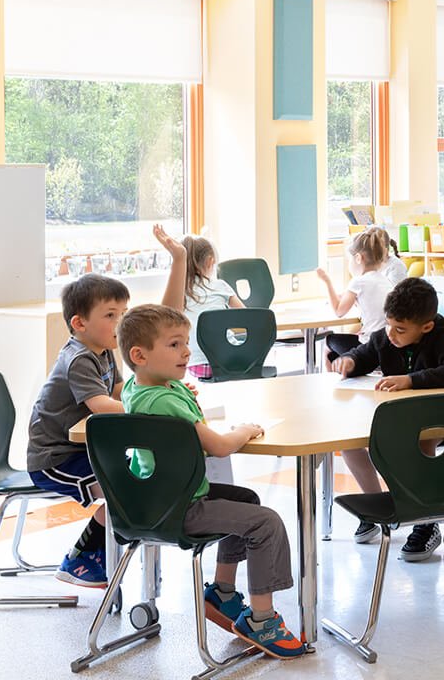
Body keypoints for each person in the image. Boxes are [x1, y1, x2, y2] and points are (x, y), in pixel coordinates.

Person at [118, 304, 306, 659]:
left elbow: (174, 419)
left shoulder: (136, 388)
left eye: (185, 343)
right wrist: (244, 430)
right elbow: (219, 447)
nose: (187, 351)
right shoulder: (165, 401)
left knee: (245, 499)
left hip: (155, 500)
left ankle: (222, 592)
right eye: (174, 344)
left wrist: (180, 394)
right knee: (266, 522)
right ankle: (262, 620)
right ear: (140, 355)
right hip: (180, 507)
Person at [331, 277, 444, 557]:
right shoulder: (388, 336)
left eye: (400, 329)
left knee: (421, 443)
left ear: (426, 327)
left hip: (437, 417)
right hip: (398, 416)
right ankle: (374, 509)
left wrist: (410, 380)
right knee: (348, 442)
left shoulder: (443, 335)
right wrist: (350, 361)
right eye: (388, 324)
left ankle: (426, 521)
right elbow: (365, 354)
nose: (391, 334)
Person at [25, 273, 132, 587]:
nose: (121, 322)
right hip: (55, 460)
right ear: (79, 323)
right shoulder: (80, 358)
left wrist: (155, 393)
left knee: (137, 480)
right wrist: (146, 407)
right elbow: (102, 405)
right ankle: (80, 558)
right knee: (126, 490)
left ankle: (100, 554)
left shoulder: (105, 350)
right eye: (111, 315)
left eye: (124, 313)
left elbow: (119, 391)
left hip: (82, 452)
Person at [317, 226, 407, 365]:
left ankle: (335, 379)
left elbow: (339, 311)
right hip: (389, 345)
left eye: (350, 260)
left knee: (328, 343)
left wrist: (327, 281)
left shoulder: (358, 282)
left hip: (370, 347)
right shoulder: (385, 280)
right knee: (340, 350)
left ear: (358, 258)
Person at [167, 230, 246, 380]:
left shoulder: (178, 293)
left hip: (192, 365)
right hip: (227, 363)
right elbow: (247, 317)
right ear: (210, 262)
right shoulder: (221, 286)